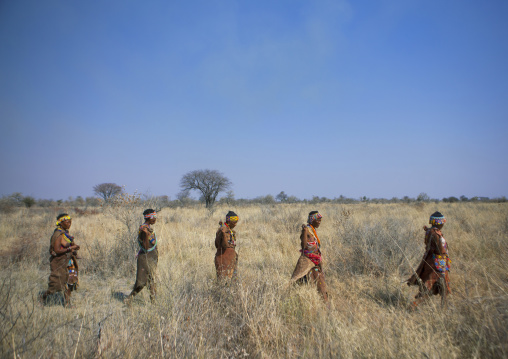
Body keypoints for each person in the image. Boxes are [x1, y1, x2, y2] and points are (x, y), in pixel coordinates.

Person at [407, 211, 451, 307]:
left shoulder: (429, 231)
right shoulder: (435, 233)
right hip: (437, 263)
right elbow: (440, 250)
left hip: (430, 260)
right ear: (440, 223)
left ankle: (443, 309)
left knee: (434, 288)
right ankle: (414, 306)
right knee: (439, 287)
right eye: (442, 222)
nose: (443, 224)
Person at [40, 213, 80, 307]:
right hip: (60, 262)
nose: (69, 223)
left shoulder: (65, 233)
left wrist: (74, 251)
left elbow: (69, 245)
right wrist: (71, 248)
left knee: (70, 282)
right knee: (56, 284)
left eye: (70, 221)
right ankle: (43, 296)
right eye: (67, 221)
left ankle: (67, 303)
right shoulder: (58, 234)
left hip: (69, 261)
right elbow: (57, 250)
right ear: (60, 223)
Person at [290, 211, 328, 302]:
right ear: (312, 220)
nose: (319, 222)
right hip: (308, 262)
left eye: (320, 220)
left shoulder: (312, 230)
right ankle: (324, 303)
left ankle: (319, 302)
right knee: (317, 284)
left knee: (307, 283)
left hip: (315, 261)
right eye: (318, 220)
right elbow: (303, 246)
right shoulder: (307, 230)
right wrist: (304, 232)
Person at [126, 209, 158, 304]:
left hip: (149, 257)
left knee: (151, 279)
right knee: (141, 281)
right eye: (154, 217)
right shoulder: (144, 229)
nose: (155, 219)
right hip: (146, 258)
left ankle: (154, 302)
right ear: (150, 217)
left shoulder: (147, 227)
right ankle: (129, 299)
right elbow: (146, 246)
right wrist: (146, 234)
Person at [215, 211, 239, 280]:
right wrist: (224, 234)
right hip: (224, 258)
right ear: (229, 221)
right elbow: (221, 245)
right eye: (234, 222)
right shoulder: (223, 230)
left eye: (236, 222)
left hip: (229, 257)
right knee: (224, 280)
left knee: (232, 280)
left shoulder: (229, 230)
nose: (236, 224)